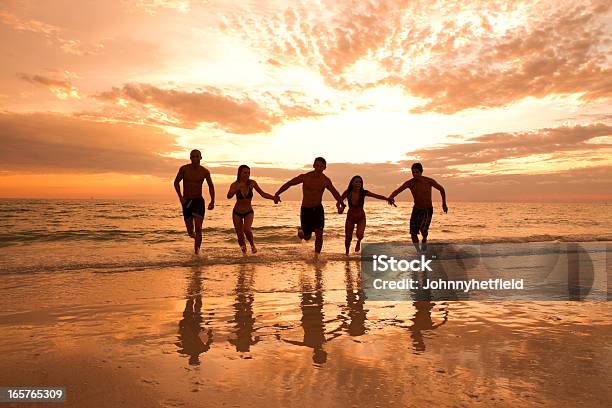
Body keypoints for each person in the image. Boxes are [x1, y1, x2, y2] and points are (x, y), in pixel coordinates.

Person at [274, 157, 344, 254]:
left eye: (322, 166)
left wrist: (342, 204)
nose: (319, 168)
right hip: (306, 209)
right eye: (317, 165)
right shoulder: (305, 177)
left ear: (324, 168)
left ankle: (317, 257)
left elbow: (335, 192)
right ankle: (301, 231)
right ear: (314, 166)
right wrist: (277, 194)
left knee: (319, 234)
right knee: (307, 237)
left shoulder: (326, 180)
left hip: (318, 209)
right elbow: (290, 183)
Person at [388, 162, 447, 252]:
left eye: (417, 172)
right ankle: (418, 252)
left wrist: (444, 204)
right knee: (413, 232)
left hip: (427, 210)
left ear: (421, 172)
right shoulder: (410, 183)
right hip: (416, 209)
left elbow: (441, 189)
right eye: (413, 172)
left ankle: (424, 239)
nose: (415, 174)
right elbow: (398, 190)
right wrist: (391, 196)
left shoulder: (428, 181)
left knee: (423, 229)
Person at [339, 175, 396, 255]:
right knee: (348, 238)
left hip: (361, 218)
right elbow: (339, 202)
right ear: (352, 183)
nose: (358, 184)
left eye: (360, 182)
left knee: (360, 234)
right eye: (356, 182)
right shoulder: (348, 192)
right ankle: (347, 254)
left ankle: (359, 241)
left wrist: (387, 198)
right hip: (350, 218)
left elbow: (376, 196)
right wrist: (340, 209)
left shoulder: (363, 192)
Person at [226, 165, 276, 254]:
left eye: (248, 173)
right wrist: (237, 188)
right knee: (240, 235)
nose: (247, 175)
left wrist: (273, 198)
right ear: (240, 173)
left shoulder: (252, 183)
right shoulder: (234, 184)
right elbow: (229, 196)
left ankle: (252, 245)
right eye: (245, 173)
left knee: (247, 229)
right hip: (237, 212)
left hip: (248, 211)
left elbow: (263, 194)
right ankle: (244, 254)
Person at [173, 149, 215, 254]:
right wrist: (180, 197)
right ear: (190, 158)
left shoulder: (205, 172)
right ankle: (195, 238)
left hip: (198, 201)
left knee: (199, 228)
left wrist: (212, 201)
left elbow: (211, 186)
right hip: (186, 201)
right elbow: (176, 182)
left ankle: (197, 254)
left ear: (201, 157)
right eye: (193, 156)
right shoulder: (184, 169)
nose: (195, 158)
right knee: (190, 232)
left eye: (197, 156)